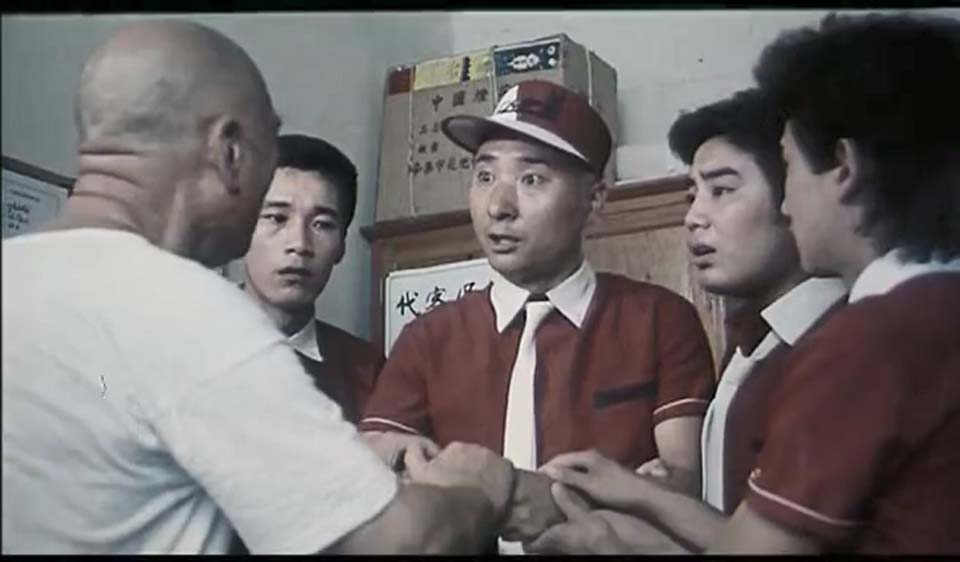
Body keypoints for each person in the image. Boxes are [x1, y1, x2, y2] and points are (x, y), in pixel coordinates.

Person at [1, 20, 520, 555]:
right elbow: (400, 544)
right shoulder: (192, 312)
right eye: (268, 146)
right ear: (230, 151)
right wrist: (481, 486)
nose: (296, 241)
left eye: (322, 223)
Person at [537, 12, 960, 554]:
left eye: (789, 166)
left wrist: (612, 541)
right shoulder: (932, 309)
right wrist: (639, 499)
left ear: (844, 168)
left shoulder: (869, 341)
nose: (788, 200)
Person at [359, 79, 717, 548]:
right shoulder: (427, 338)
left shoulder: (661, 321)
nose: (498, 206)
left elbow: (682, 485)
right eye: (485, 176)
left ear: (594, 202)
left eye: (532, 179)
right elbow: (376, 464)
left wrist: (556, 499)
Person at [525, 88, 847, 554]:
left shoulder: (839, 349)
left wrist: (624, 532)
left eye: (722, 191)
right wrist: (633, 495)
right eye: (693, 195)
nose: (695, 218)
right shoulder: (753, 347)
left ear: (795, 194)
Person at [241, 134, 383, 422]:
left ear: (341, 246)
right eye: (277, 218)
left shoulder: (369, 373)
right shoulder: (182, 349)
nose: (300, 244)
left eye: (322, 224)